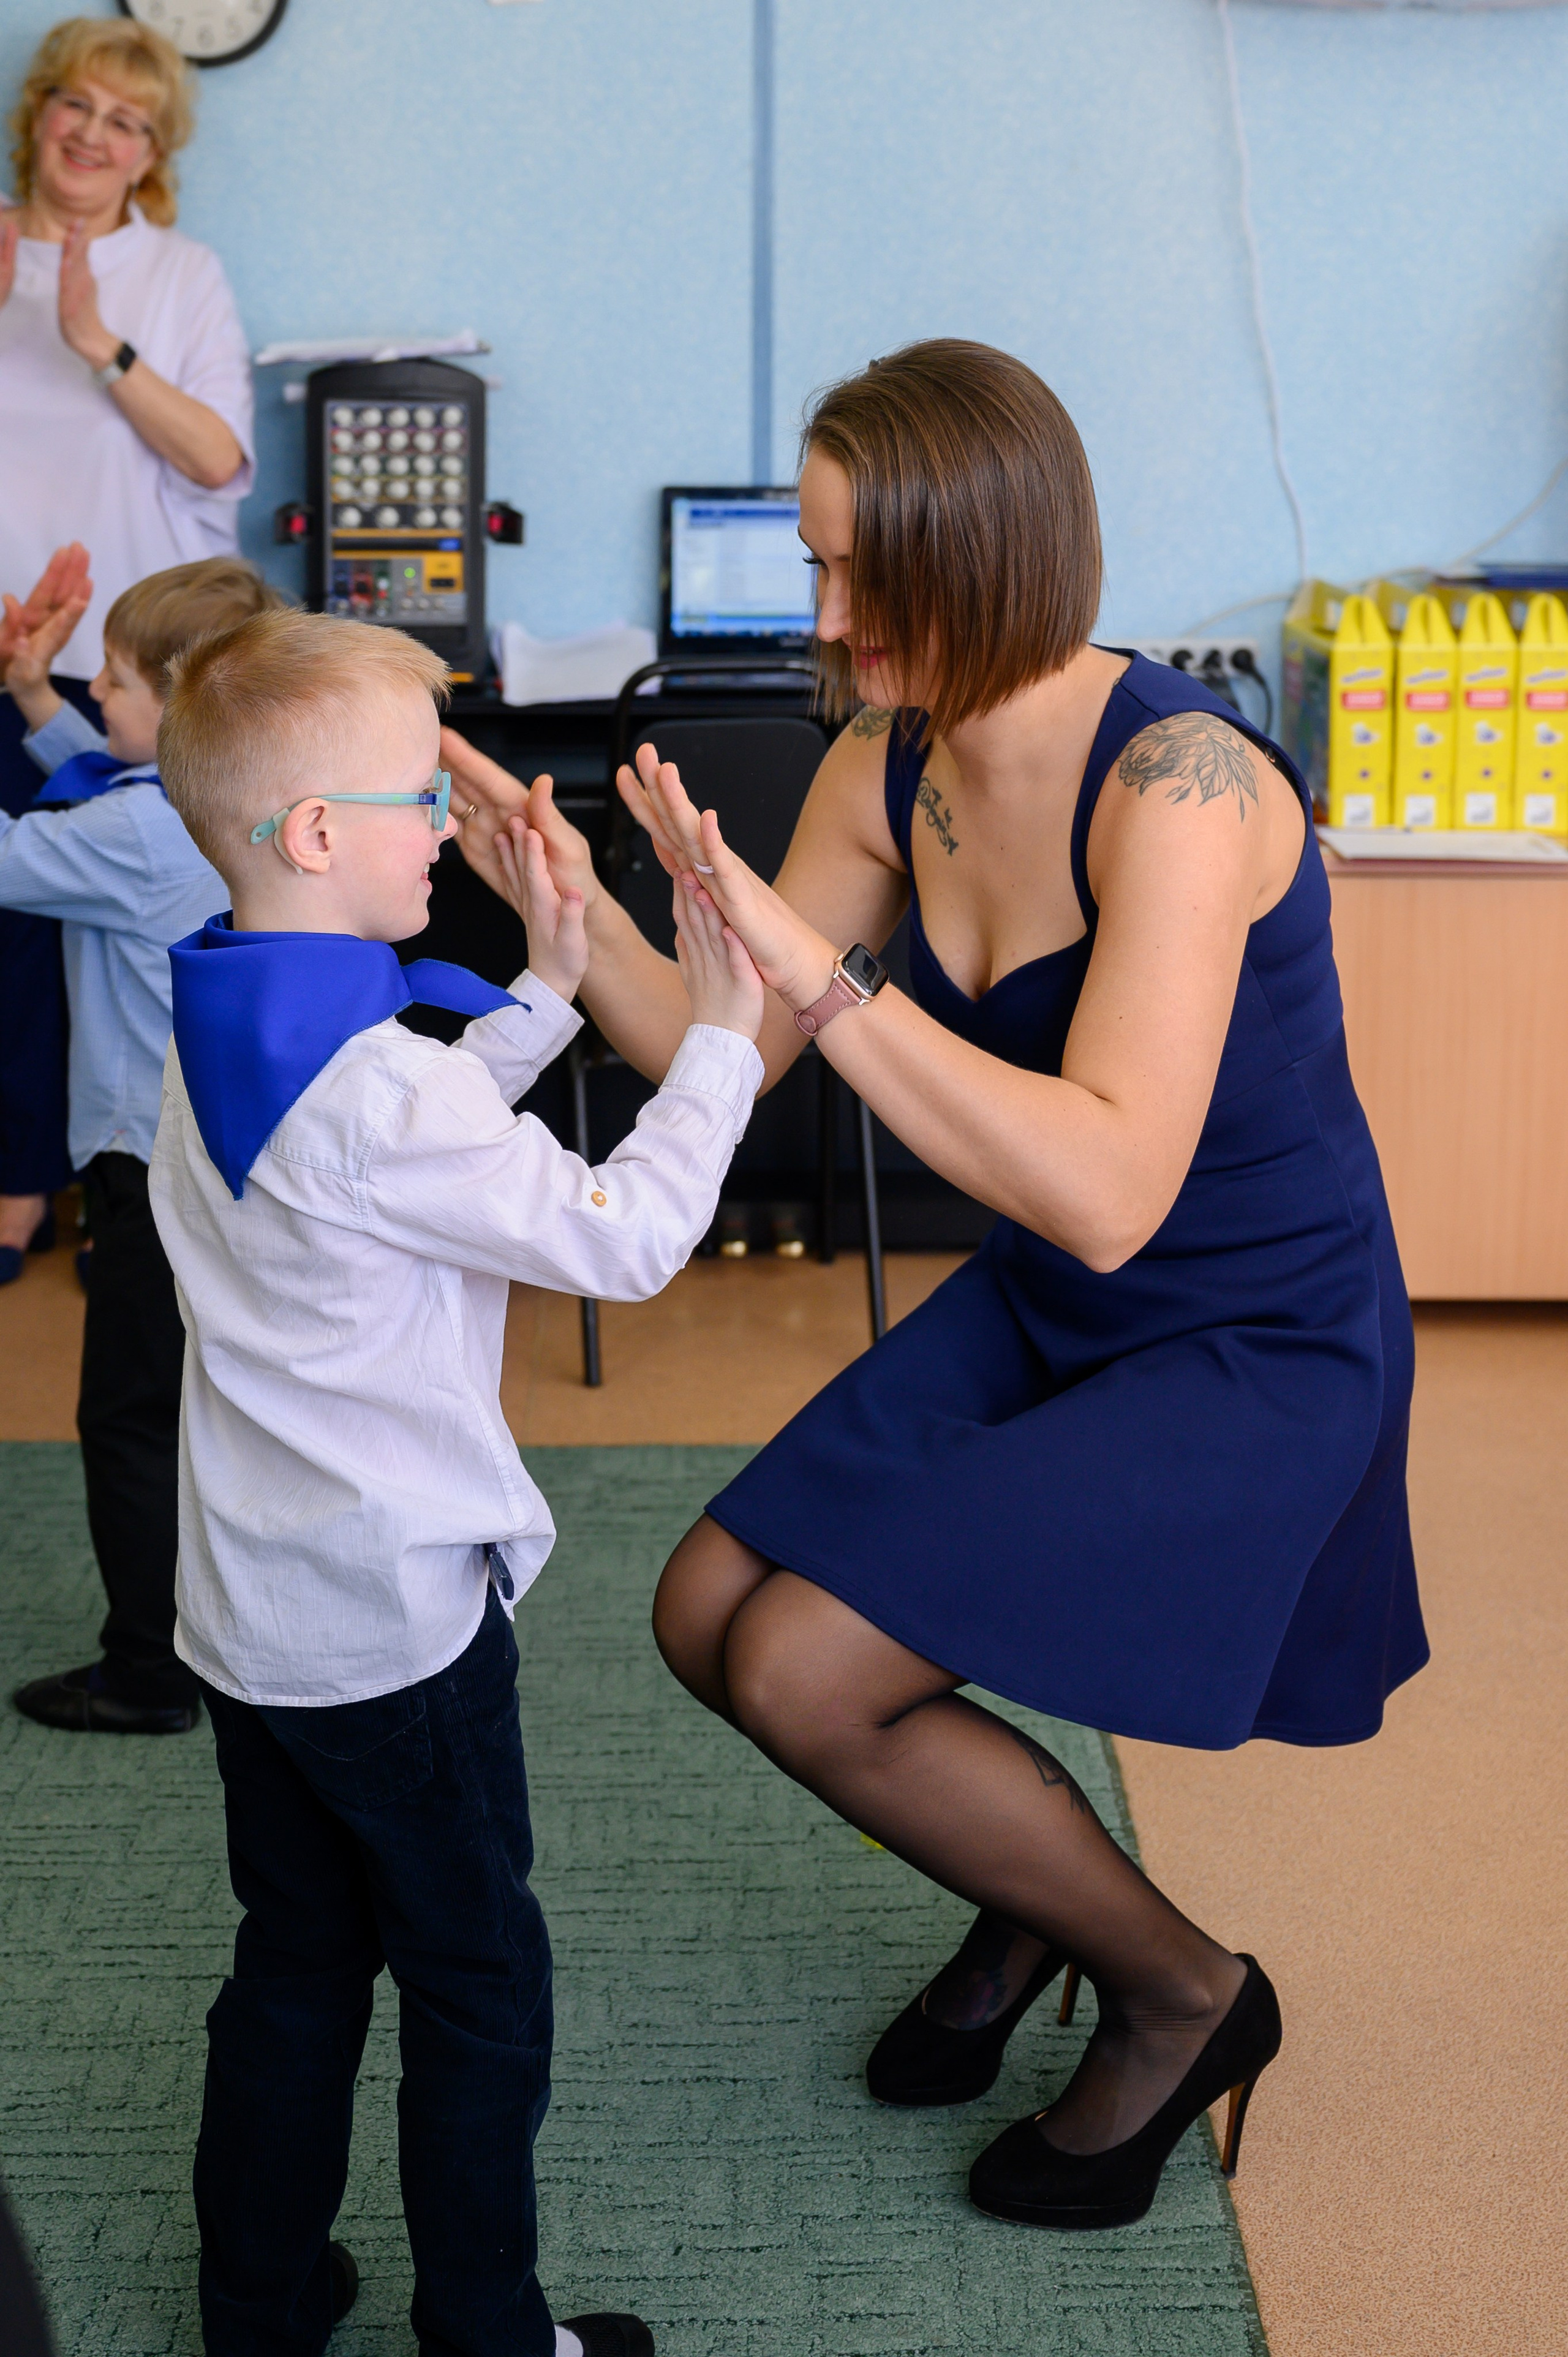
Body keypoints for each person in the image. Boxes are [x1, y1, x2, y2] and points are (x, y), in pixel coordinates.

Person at [445, 339, 1429, 2232]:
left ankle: (1183, 1991)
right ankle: (1029, 1887)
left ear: (979, 549)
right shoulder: (883, 758)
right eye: (813, 569)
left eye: (850, 574)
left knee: (809, 1668)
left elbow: (1114, 1185)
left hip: (1244, 1327)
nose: (824, 618)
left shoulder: (1185, 782)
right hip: (1061, 1297)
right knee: (703, 1605)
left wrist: (819, 964)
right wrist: (559, 899)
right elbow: (717, 1056)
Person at [148, 607, 766, 2357]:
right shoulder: (371, 1094)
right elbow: (625, 1237)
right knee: (481, 1981)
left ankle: (255, 2308)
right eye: (420, 796)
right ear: (319, 836)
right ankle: (492, 2335)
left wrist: (557, 986)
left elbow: (378, 1141)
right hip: (394, 1625)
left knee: (294, 1964)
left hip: (249, 1615)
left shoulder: (225, 1003)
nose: (449, 825)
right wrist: (716, 1030)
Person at [0, 554, 280, 1735]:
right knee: (208, 1404)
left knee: (125, 1417)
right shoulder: (223, 792)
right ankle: (234, 1626)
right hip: (236, 1154)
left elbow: (31, 850)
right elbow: (108, 771)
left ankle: (148, 1672)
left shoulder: (132, 829)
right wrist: (31, 698)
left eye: (111, 678)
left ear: (178, 699)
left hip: (142, 1170)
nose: (94, 695)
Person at [0, 15, 252, 1265]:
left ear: (151, 150)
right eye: (76, 107)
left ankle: (74, 1196)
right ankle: (19, 1184)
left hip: (125, 677)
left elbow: (218, 460)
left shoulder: (176, 274)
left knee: (100, 948)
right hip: (11, 659)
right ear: (36, 112)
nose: (93, 136)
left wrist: (98, 344)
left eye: (126, 121)